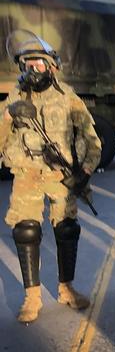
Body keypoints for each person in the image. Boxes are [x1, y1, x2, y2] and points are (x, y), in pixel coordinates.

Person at [0, 31, 102, 323]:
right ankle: (32, 298)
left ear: (53, 67)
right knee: (26, 231)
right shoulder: (14, 99)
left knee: (67, 230)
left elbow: (92, 140)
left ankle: (66, 289)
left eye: (40, 64)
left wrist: (84, 171)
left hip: (60, 176)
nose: (34, 70)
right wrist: (8, 117)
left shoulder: (68, 98)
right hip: (27, 175)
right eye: (28, 64)